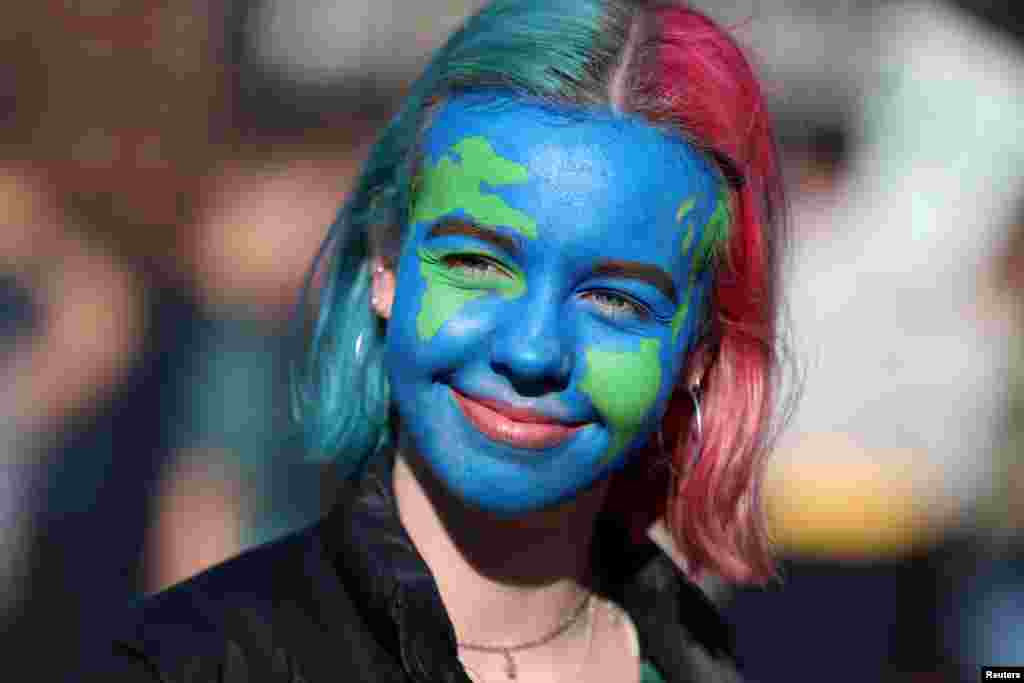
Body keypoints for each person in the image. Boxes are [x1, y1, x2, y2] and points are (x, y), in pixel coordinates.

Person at [98, 1, 788, 681]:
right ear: (386, 267)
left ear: (699, 353)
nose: (533, 351)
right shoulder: (188, 663)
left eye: (615, 299)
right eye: (477, 263)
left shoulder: (719, 661)